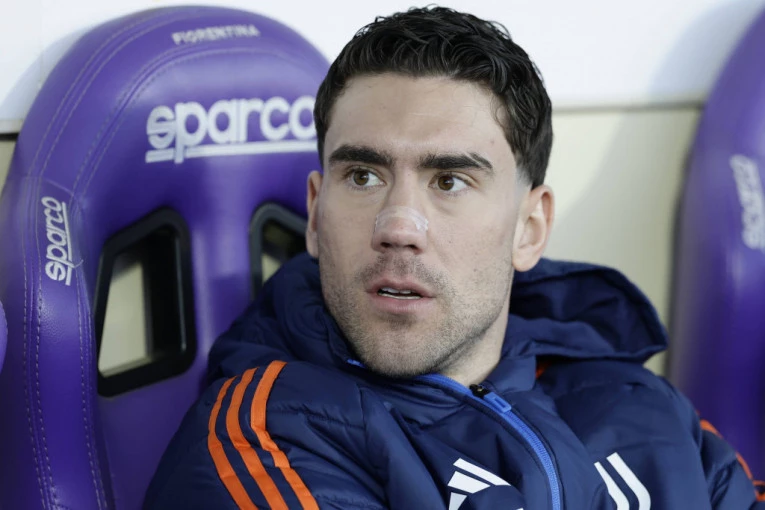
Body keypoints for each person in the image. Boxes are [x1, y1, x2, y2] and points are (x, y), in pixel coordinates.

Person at [145, 6, 765, 509]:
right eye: (362, 176)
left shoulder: (638, 402)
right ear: (315, 213)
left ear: (529, 228)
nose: (398, 226)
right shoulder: (266, 437)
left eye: (449, 181)